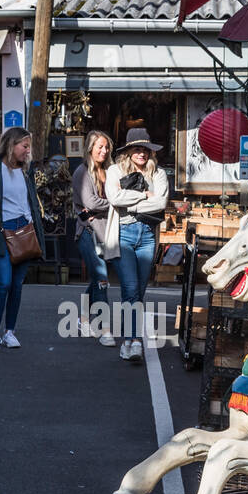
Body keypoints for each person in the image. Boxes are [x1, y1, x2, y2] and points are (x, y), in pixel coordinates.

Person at [0, 126, 47, 351]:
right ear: (11, 144)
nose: (28, 151)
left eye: (29, 147)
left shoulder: (27, 170)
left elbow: (31, 201)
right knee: (3, 283)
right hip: (2, 233)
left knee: (17, 286)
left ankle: (10, 332)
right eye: (24, 146)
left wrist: (35, 224)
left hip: (25, 231)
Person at [106, 128, 168, 363]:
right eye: (137, 148)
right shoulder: (115, 170)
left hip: (148, 236)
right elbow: (114, 198)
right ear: (128, 151)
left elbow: (161, 202)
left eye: (145, 149)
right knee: (130, 289)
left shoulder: (159, 173)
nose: (141, 153)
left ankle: (129, 340)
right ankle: (133, 341)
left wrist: (129, 202)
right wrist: (144, 196)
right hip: (124, 234)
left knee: (138, 292)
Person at [71, 130, 116, 347]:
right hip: (88, 232)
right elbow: (91, 201)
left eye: (106, 147)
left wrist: (106, 205)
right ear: (90, 148)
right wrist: (117, 204)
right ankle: (105, 329)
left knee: (97, 280)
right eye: (100, 146)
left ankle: (82, 320)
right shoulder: (82, 172)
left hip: (106, 232)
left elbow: (98, 203)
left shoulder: (108, 171)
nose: (104, 150)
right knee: (102, 278)